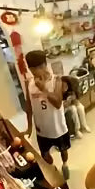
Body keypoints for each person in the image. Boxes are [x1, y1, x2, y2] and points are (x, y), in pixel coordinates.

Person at [24, 50, 70, 179]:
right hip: (41, 129)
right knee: (44, 154)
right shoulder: (29, 83)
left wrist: (44, 89)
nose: (37, 72)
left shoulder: (57, 80)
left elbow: (57, 103)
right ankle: (52, 168)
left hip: (58, 127)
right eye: (33, 69)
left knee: (63, 150)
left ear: (45, 65)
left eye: (39, 67)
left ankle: (65, 164)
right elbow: (29, 105)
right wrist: (29, 127)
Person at [61, 76, 91, 140]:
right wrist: (67, 102)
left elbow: (77, 102)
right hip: (62, 109)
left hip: (69, 105)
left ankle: (84, 126)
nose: (64, 87)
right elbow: (61, 106)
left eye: (66, 85)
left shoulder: (70, 91)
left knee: (80, 107)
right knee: (73, 109)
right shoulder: (58, 92)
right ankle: (77, 130)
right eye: (63, 85)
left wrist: (73, 99)